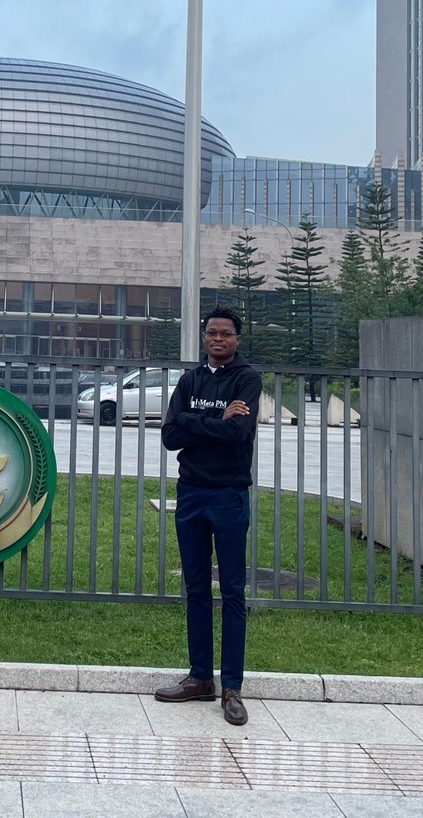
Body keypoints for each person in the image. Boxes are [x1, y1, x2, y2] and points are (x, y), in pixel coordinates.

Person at [153, 305, 261, 725]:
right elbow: (168, 436)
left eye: (226, 333)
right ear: (204, 338)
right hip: (191, 494)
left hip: (229, 496)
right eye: (212, 333)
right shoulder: (190, 380)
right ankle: (200, 678)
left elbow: (239, 434)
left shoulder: (246, 379)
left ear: (237, 339)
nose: (218, 339)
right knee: (196, 589)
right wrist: (216, 417)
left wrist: (192, 423)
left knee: (231, 591)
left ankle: (231, 687)